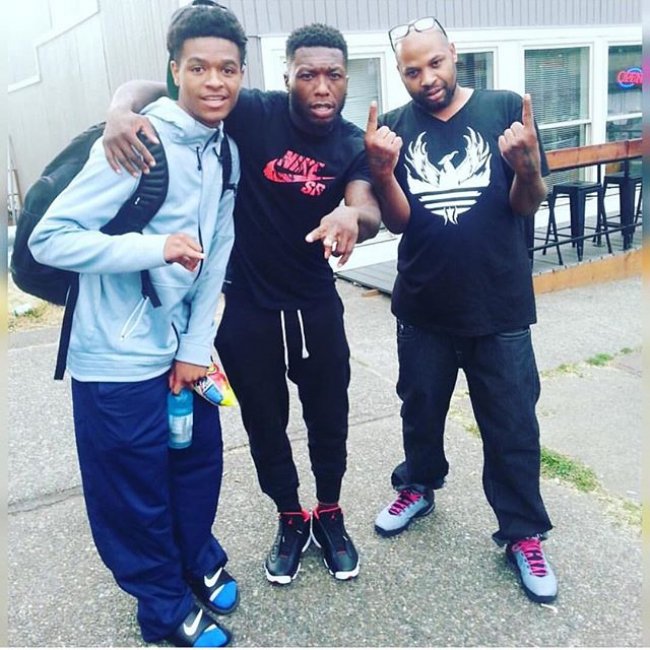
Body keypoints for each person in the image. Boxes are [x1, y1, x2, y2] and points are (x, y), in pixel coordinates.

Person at [103, 22, 381, 585]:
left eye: (333, 75)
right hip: (248, 308)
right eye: (307, 75)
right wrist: (118, 110)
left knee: (330, 416)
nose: (321, 87)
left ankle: (329, 512)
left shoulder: (352, 143)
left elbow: (368, 207)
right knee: (264, 422)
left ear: (346, 79)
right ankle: (289, 517)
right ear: (287, 77)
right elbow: (161, 87)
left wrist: (351, 214)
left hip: (314, 305)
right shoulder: (255, 112)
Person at [28, 4, 247, 646]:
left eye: (228, 68)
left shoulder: (225, 150)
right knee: (134, 492)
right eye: (199, 67)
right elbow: (50, 239)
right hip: (115, 358)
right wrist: (155, 249)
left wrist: (196, 346)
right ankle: (162, 606)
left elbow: (218, 254)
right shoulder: (137, 143)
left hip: (182, 351)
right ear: (175, 70)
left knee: (197, 465)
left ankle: (195, 559)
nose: (215, 81)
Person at [364, 16, 558, 604]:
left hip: (499, 306)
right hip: (423, 306)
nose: (427, 78)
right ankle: (418, 486)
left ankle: (523, 533)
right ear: (400, 73)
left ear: (454, 52)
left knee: (512, 424)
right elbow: (400, 221)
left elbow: (527, 203)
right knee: (420, 409)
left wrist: (526, 165)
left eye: (435, 63)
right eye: (412, 70)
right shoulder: (394, 128)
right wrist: (381, 172)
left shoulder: (505, 109)